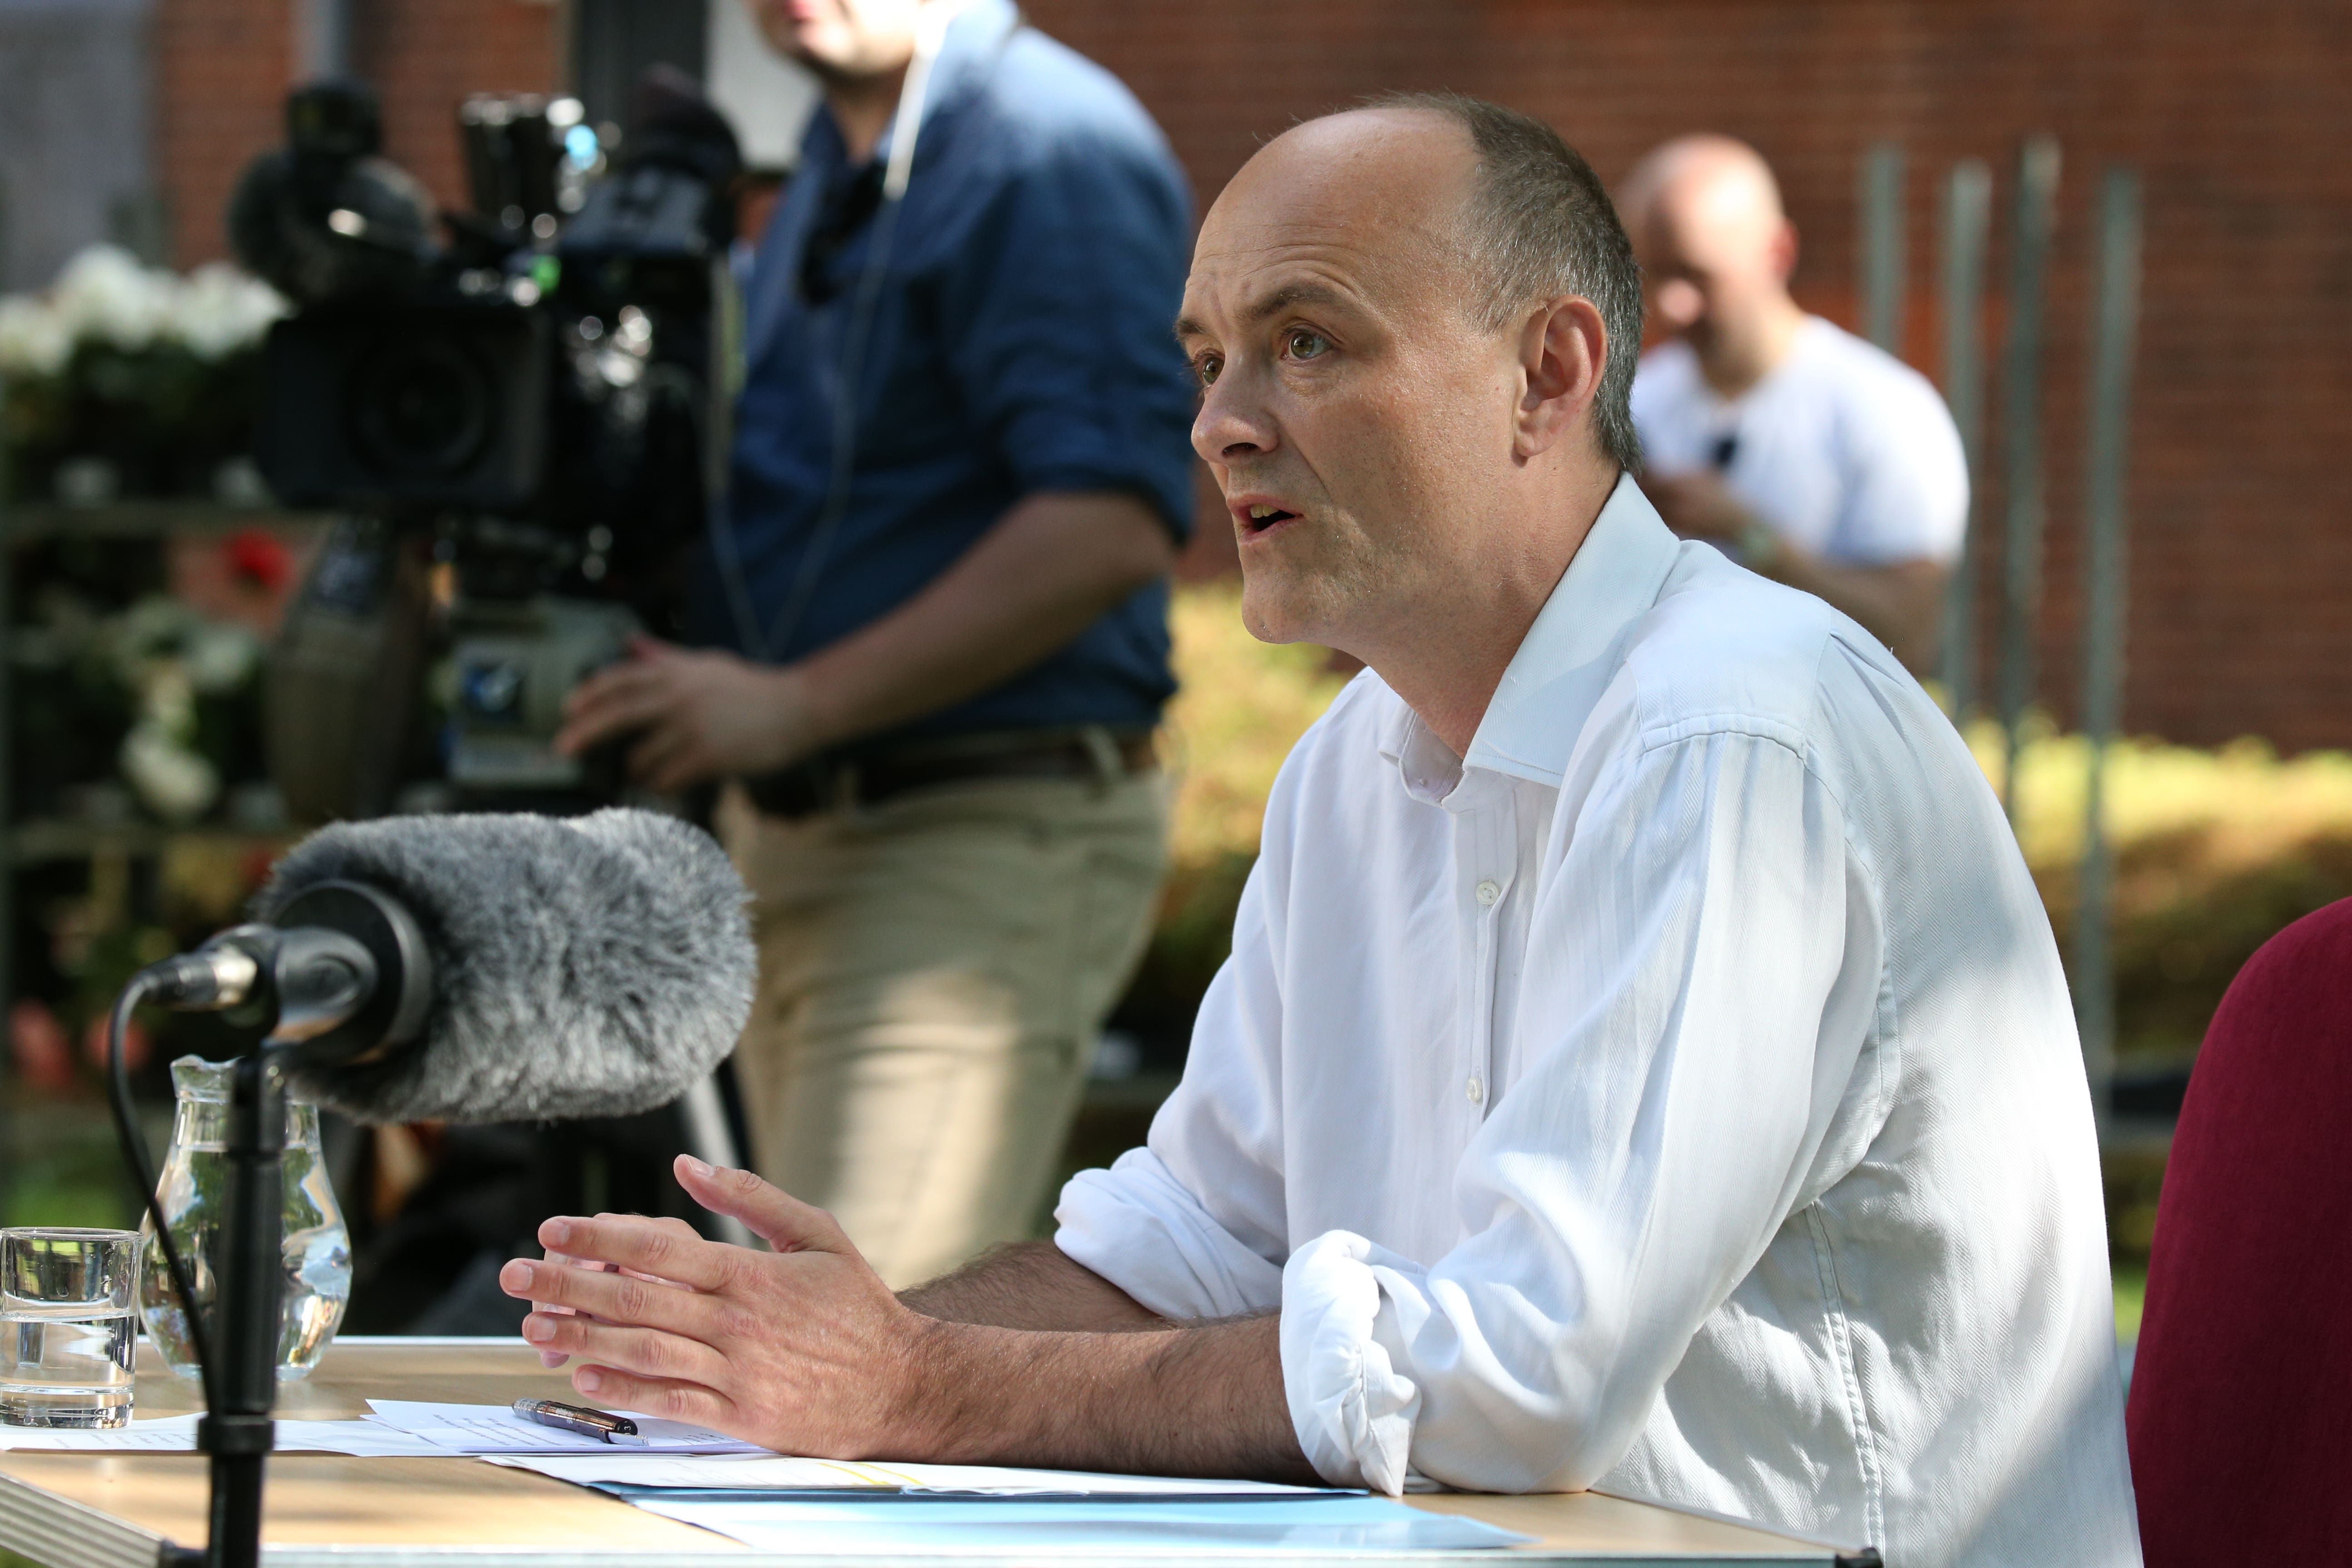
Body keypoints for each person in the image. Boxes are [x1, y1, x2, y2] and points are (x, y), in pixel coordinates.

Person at [503, 94, 2139, 1567]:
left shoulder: (1732, 737)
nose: (1221, 422)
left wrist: (913, 1386)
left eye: (1307, 343)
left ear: (1548, 374)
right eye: (1206, 357)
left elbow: (1519, 1384)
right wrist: (794, 1355)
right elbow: (1193, 1246)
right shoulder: (1357, 758)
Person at [553, 0, 1198, 1289]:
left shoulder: (1046, 146)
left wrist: (792, 705)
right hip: (804, 842)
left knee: (847, 1374)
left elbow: (1114, 520)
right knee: (785, 1356)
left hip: (966, 845)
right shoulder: (839, 149)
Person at [1619, 135, 1967, 676]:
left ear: (1778, 253)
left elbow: (1911, 634)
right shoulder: (1633, 401)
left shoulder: (1884, 407)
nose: (1672, 305)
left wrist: (1752, 537)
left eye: (1696, 274)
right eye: (1653, 275)